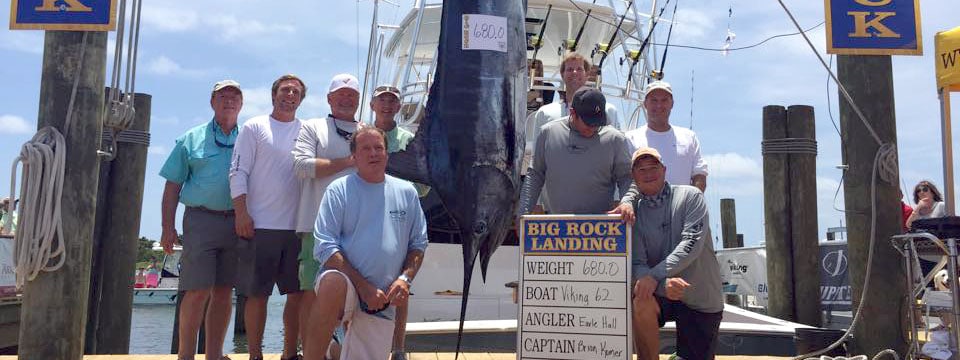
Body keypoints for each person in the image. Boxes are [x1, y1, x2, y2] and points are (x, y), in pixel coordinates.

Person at [304, 127, 428, 360]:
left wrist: (405, 279)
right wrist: (363, 287)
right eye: (366, 148)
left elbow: (419, 244)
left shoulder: (407, 192)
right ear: (354, 157)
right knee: (332, 282)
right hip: (349, 285)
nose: (373, 153)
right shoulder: (338, 190)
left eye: (379, 148)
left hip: (384, 297)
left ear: (387, 154)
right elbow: (325, 246)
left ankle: (334, 350)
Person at [158, 79, 243, 360]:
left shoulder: (250, 139)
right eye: (223, 96)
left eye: (234, 96)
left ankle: (215, 354)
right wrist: (167, 228)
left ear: (241, 104)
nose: (229, 100)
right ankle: (185, 355)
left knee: (223, 291)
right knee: (197, 290)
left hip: (237, 221)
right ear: (212, 102)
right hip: (200, 220)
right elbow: (172, 186)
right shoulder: (190, 138)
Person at [612, 147, 723, 360]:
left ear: (664, 170)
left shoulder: (692, 196)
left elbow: (691, 244)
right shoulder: (634, 214)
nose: (648, 173)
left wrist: (653, 277)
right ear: (633, 177)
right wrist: (661, 285)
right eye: (641, 169)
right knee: (640, 300)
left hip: (701, 297)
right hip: (662, 292)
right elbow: (637, 262)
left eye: (653, 167)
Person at [230, 74, 306, 360]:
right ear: (274, 95)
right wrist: (241, 213)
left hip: (296, 228)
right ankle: (254, 355)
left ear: (301, 99)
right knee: (257, 295)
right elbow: (238, 172)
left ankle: (289, 354)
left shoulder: (308, 130)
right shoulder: (254, 126)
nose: (290, 95)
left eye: (295, 91)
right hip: (259, 226)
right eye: (285, 90)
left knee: (296, 296)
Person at [292, 73, 362, 355]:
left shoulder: (366, 129)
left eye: (351, 95)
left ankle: (345, 351)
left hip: (357, 227)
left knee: (353, 295)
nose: (346, 99)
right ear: (329, 99)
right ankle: (311, 353)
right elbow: (301, 166)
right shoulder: (312, 127)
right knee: (312, 293)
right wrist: (347, 162)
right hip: (317, 226)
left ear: (359, 100)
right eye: (341, 94)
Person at [518, 87, 633, 216]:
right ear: (573, 113)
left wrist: (627, 202)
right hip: (556, 225)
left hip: (601, 228)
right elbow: (535, 175)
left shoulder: (615, 139)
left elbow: (627, 177)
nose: (593, 128)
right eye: (589, 123)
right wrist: (523, 211)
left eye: (598, 123)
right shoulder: (548, 133)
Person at [625, 80, 708, 192]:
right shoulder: (630, 138)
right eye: (654, 100)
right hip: (643, 208)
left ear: (672, 104)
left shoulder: (689, 137)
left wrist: (692, 202)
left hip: (682, 208)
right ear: (645, 104)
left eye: (664, 100)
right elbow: (625, 179)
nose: (659, 105)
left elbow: (700, 174)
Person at [370, 84, 414, 153]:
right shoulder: (362, 137)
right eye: (382, 100)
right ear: (372, 105)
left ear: (398, 108)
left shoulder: (408, 139)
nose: (387, 105)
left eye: (392, 101)